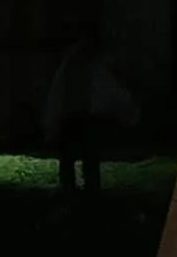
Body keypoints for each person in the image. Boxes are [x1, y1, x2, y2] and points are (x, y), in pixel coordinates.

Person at [42, 28, 138, 199]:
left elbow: (60, 94)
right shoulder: (88, 65)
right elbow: (110, 91)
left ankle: (76, 190)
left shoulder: (78, 65)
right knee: (84, 157)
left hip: (78, 117)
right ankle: (84, 191)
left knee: (77, 157)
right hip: (81, 117)